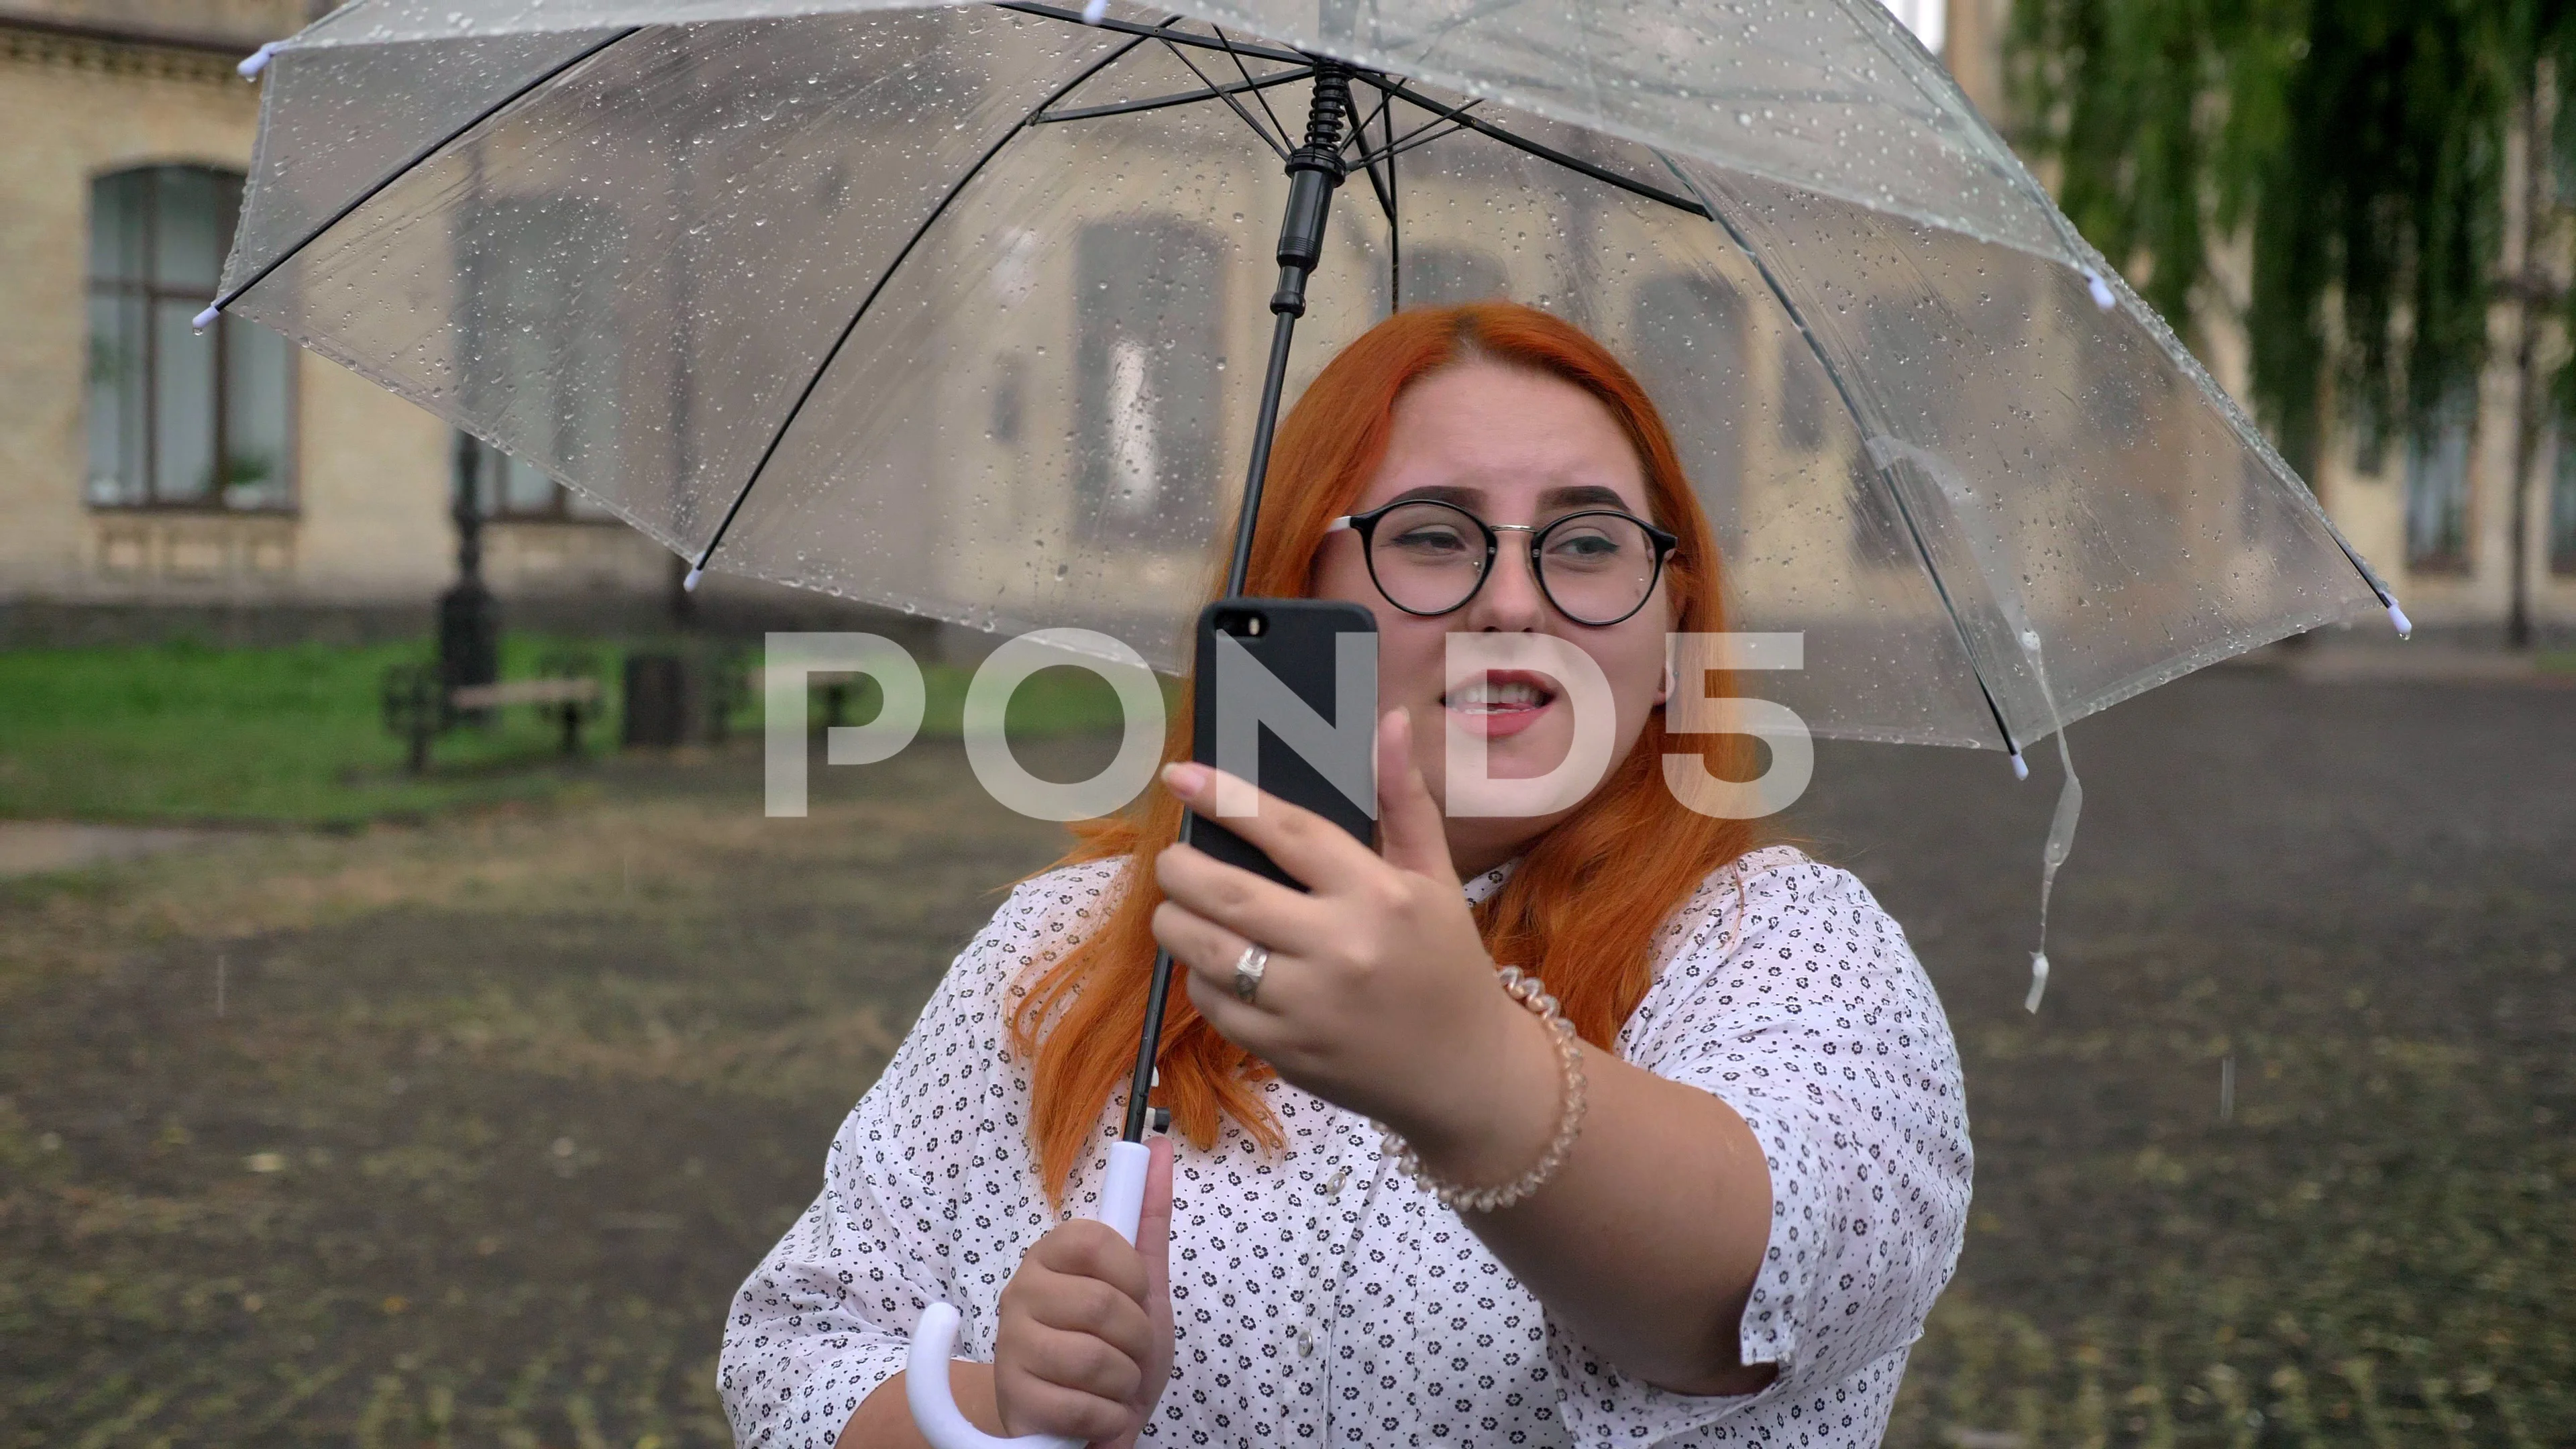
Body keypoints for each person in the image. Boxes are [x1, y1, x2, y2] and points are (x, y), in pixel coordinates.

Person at [721, 301, 1971, 1448]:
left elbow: (1759, 1289)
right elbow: (799, 1351)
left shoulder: (1780, 945)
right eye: (1433, 538)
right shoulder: (1077, 946)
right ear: (1295, 594)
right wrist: (998, 1405)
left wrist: (1471, 1069)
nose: (1517, 601)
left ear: (1669, 627)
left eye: (1588, 545)